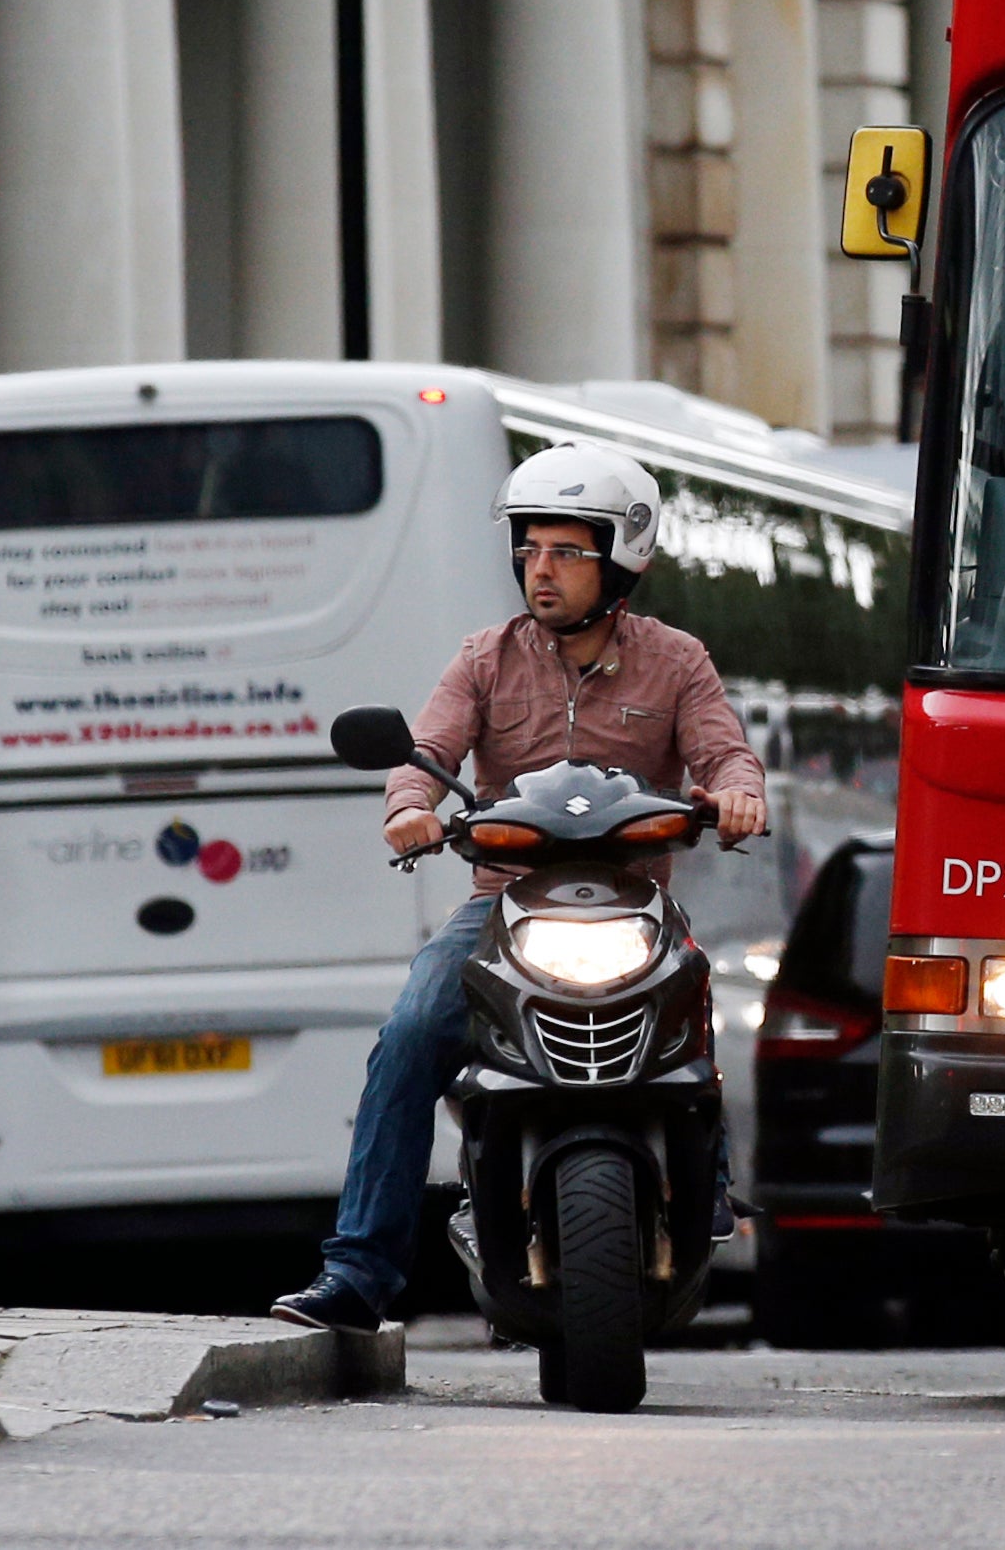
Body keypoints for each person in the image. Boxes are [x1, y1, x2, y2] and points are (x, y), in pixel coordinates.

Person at [271, 444, 768, 1334]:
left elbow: (725, 753)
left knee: (694, 1010)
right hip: (503, 905)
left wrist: (738, 795)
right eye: (531, 550)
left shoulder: (679, 661)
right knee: (411, 1035)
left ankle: (711, 1194)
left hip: (635, 903)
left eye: (568, 552)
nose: (543, 570)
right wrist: (411, 806)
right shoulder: (485, 658)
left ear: (622, 559)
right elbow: (425, 755)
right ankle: (358, 1275)